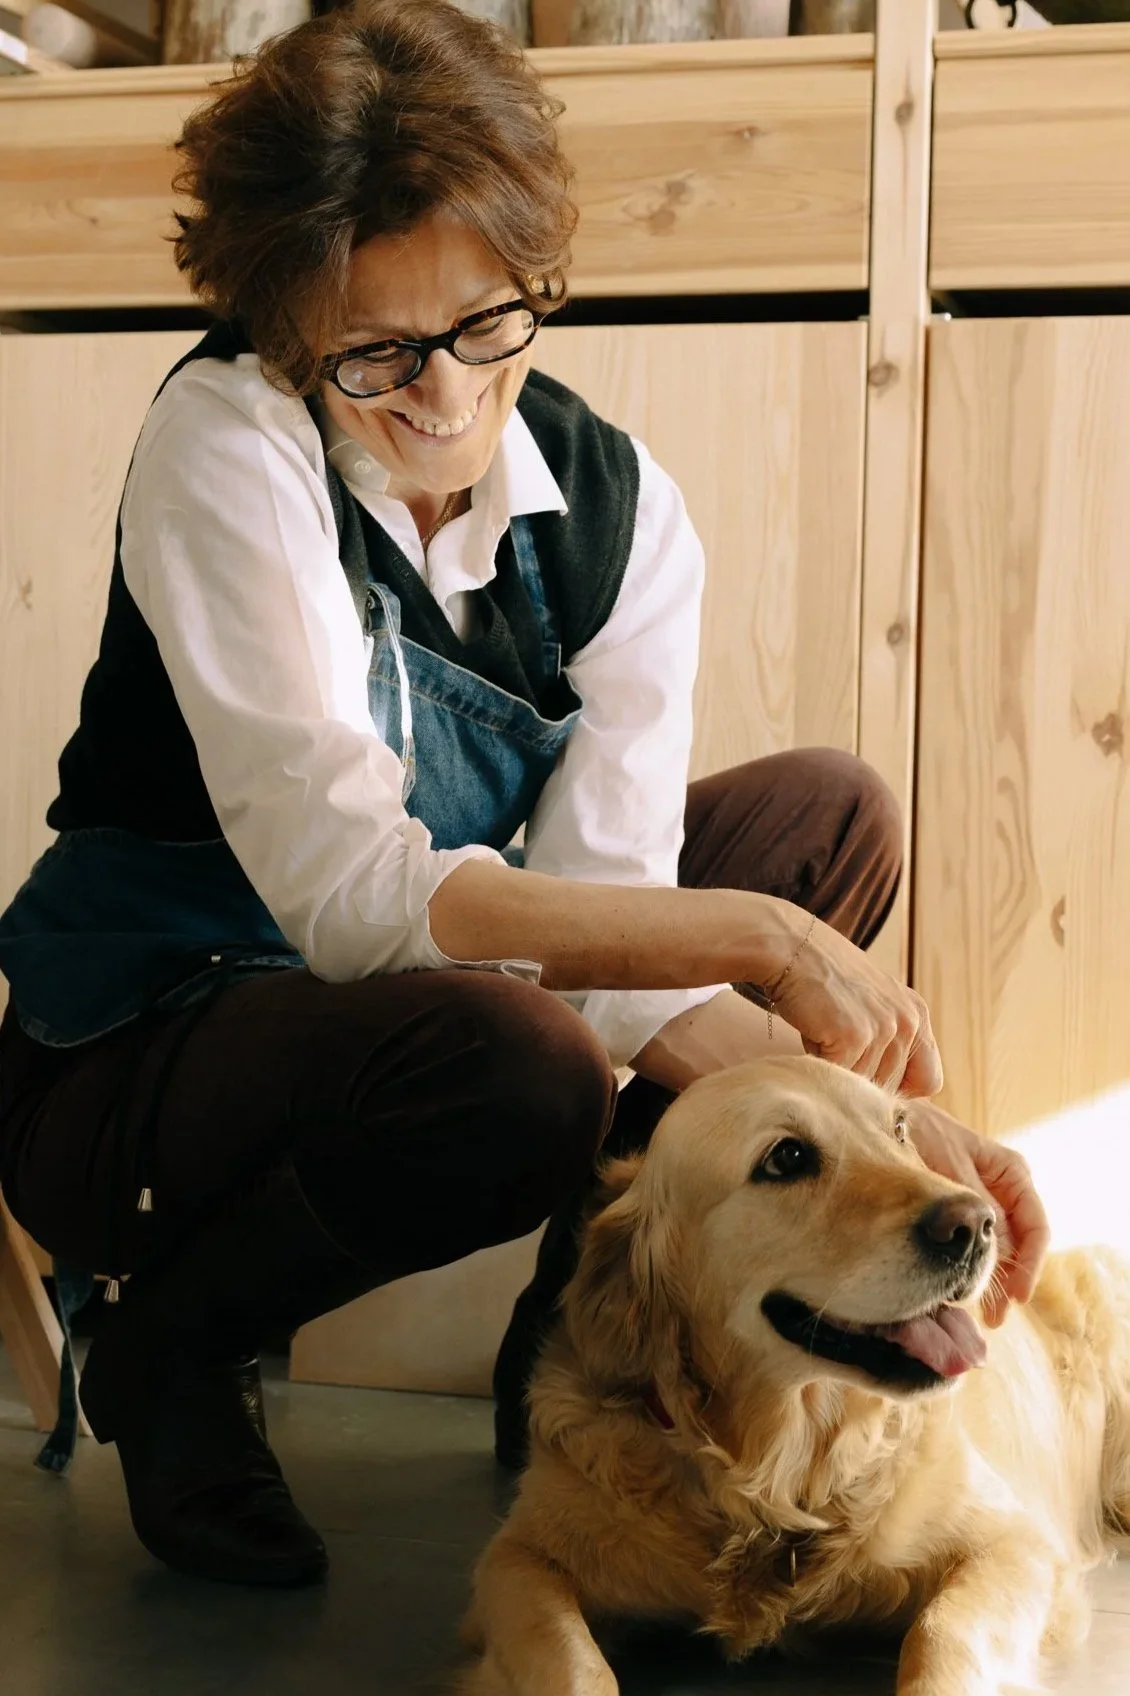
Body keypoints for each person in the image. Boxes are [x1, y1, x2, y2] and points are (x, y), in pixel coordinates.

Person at [0, 0, 1047, 1592]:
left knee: (821, 818)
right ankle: (176, 1345)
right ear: (284, 329)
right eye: (373, 351)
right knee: (524, 1061)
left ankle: (592, 1326)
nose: (439, 395)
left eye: (483, 325)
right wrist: (766, 942)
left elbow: (612, 944)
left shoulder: (620, 512)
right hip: (149, 1052)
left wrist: (899, 1142)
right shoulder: (226, 441)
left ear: (531, 277)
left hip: (423, 1005)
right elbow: (358, 904)